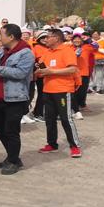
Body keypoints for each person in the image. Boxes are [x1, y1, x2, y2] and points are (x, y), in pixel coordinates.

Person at [0, 24, 35, 175]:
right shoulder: (4, 51)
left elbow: (20, 73)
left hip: (15, 99)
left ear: (11, 37)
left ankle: (13, 161)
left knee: (11, 131)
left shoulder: (26, 53)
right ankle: (13, 157)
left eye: (2, 35)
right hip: (0, 97)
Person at [36, 28, 81, 158]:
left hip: (63, 90)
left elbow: (72, 69)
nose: (46, 39)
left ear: (56, 38)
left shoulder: (67, 50)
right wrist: (39, 72)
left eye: (48, 37)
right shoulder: (47, 52)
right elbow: (41, 70)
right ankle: (52, 144)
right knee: (49, 119)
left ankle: (75, 146)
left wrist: (52, 72)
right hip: (47, 90)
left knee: (66, 119)